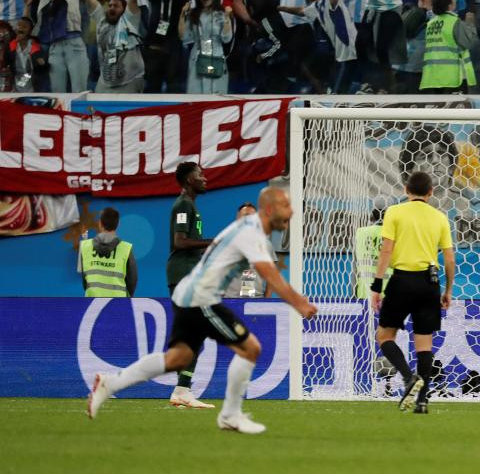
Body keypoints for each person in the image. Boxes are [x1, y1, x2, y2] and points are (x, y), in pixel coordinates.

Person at [87, 187, 318, 434]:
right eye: (286, 206)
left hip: (190, 294)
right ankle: (230, 415)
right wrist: (300, 304)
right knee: (250, 348)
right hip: (200, 298)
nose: (291, 212)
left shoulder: (251, 229)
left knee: (178, 359)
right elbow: (270, 275)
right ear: (270, 209)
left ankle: (110, 383)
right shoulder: (251, 232)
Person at [368, 171, 456, 415]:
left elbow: (386, 251)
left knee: (385, 336)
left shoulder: (394, 212)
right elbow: (449, 258)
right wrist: (448, 289)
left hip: (401, 280)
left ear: (406, 190)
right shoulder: (439, 217)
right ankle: (423, 401)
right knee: (424, 344)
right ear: (430, 193)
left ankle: (408, 377)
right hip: (430, 282)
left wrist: (377, 286)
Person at [165, 161, 215, 409]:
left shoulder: (190, 204)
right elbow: (180, 242)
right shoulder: (183, 204)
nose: (205, 178)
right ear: (188, 180)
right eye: (200, 175)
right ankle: (181, 390)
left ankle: (182, 390)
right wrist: (212, 242)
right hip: (183, 274)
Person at [419, 0, 476, 94]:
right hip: (454, 77)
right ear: (450, 5)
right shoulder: (454, 22)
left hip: (435, 75)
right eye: (453, 0)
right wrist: (470, 24)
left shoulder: (431, 23)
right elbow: (469, 43)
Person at [78, 207, 137, 297]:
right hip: (118, 304)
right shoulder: (126, 248)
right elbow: (132, 280)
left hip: (92, 303)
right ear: (118, 224)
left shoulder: (85, 246)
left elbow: (84, 279)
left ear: (100, 223)